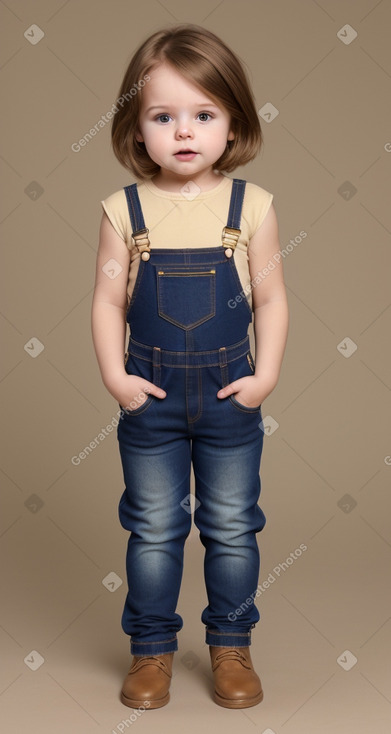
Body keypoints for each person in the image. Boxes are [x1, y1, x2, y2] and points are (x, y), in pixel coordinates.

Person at [91, 23, 289, 710]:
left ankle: (231, 646)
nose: (184, 132)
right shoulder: (124, 210)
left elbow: (270, 297)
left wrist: (263, 378)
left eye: (202, 114)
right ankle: (151, 653)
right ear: (135, 127)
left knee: (232, 526)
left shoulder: (251, 206)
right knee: (152, 528)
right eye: (162, 115)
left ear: (231, 122)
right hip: (151, 401)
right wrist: (116, 379)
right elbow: (106, 298)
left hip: (229, 398)